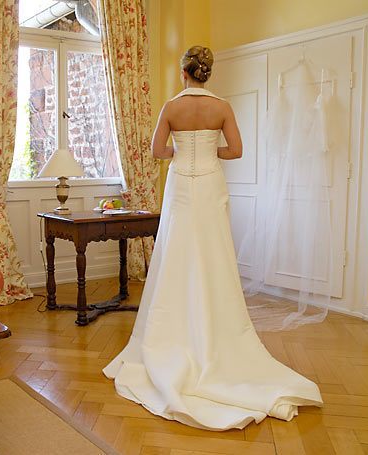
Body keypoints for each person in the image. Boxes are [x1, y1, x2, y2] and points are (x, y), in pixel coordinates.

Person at [102, 46, 323, 431]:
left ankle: (172, 330)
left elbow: (157, 151)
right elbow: (236, 150)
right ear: (208, 74)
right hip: (210, 182)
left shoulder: (171, 107)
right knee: (214, 253)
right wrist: (209, 149)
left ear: (183, 72)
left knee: (175, 252)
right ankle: (214, 328)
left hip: (180, 187)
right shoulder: (222, 107)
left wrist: (181, 148)